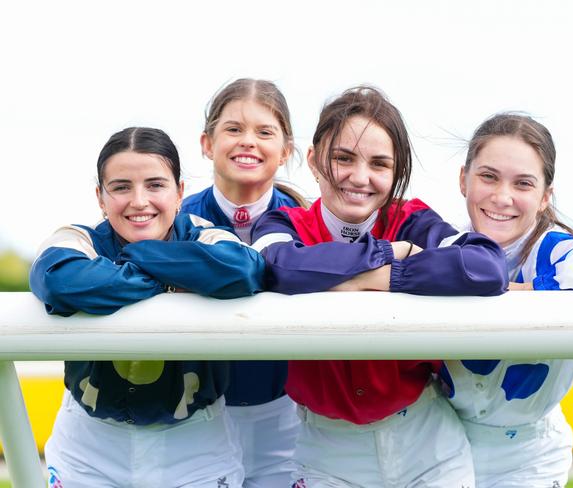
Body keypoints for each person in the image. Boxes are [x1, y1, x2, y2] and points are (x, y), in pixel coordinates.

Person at [251, 86, 509, 488]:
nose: (360, 177)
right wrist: (389, 252)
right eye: (344, 158)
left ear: (395, 172)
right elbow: (278, 269)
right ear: (316, 159)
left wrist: (380, 279)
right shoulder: (282, 224)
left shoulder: (414, 219)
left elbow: (487, 267)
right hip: (324, 451)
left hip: (427, 444)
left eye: (379, 164)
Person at [30, 127, 265, 488]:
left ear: (180, 192)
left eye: (155, 185)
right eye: (121, 187)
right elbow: (55, 280)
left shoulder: (204, 233)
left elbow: (243, 269)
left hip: (196, 443)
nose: (139, 201)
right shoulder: (79, 238)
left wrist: (131, 260)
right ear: (100, 197)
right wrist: (172, 281)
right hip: (89, 444)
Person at [441, 112, 573, 488]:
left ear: (544, 197)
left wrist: (538, 287)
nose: (502, 197)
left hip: (529, 456)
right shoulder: (444, 246)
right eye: (488, 176)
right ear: (463, 179)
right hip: (440, 444)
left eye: (523, 183)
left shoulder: (553, 250)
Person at [181, 78, 306, 488]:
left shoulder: (307, 221)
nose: (247, 142)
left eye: (264, 132)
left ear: (286, 150)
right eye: (233, 129)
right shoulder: (174, 221)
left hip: (288, 417)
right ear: (206, 142)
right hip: (198, 418)